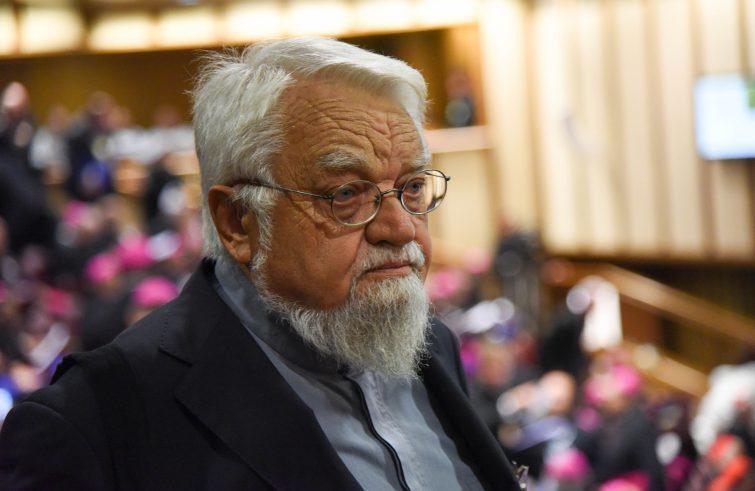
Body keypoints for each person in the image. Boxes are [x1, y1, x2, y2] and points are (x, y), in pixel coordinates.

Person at [0, 38, 521, 490]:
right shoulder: (96, 421)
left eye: (412, 188)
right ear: (238, 222)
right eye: (345, 194)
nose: (402, 228)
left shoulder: (432, 345)